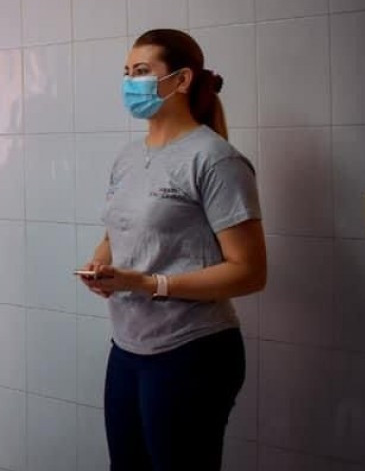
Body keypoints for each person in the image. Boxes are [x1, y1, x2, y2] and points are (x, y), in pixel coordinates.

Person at [78, 29, 267, 471]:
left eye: (142, 71)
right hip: (128, 348)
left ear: (181, 80)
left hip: (191, 351)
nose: (130, 82)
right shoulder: (128, 157)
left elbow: (250, 272)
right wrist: (101, 262)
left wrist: (150, 284)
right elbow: (117, 232)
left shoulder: (215, 159)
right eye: (127, 72)